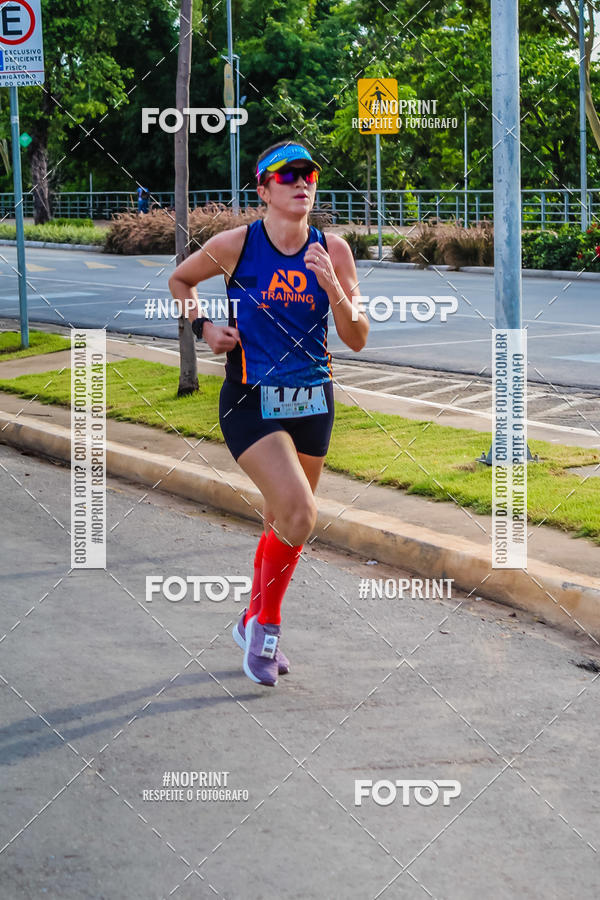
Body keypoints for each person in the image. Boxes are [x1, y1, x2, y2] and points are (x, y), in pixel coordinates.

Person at [168, 140, 369, 686]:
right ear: (263, 190)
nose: (302, 183)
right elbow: (180, 281)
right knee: (301, 516)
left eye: (308, 174)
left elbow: (356, 337)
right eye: (287, 176)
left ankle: (249, 617)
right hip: (250, 401)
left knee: (282, 522)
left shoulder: (335, 250)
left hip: (313, 402)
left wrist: (332, 284)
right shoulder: (236, 245)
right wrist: (205, 327)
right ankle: (267, 630)